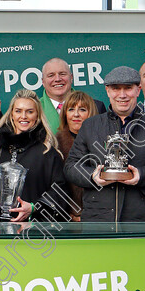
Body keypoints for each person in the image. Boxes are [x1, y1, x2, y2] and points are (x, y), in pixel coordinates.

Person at [64, 66, 145, 222]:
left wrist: (141, 175)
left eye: (128, 88)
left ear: (138, 90)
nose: (122, 95)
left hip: (140, 218)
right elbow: (71, 167)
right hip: (97, 217)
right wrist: (93, 175)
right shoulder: (90, 125)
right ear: (108, 91)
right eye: (116, 89)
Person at [0, 89, 68, 222]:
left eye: (30, 111)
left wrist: (34, 207)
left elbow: (60, 190)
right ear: (11, 114)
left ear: (37, 116)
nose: (23, 116)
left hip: (34, 231)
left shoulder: (48, 152)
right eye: (18, 111)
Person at [55, 91, 98, 221]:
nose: (76, 114)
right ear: (65, 114)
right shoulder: (55, 143)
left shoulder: (103, 141)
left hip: (98, 215)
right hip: (66, 217)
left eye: (82, 109)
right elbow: (54, 185)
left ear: (91, 113)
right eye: (71, 109)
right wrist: (69, 213)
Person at [38, 58, 107, 132]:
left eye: (62, 74)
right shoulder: (35, 110)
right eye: (51, 75)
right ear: (43, 81)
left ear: (71, 77)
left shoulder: (96, 106)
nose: (57, 79)